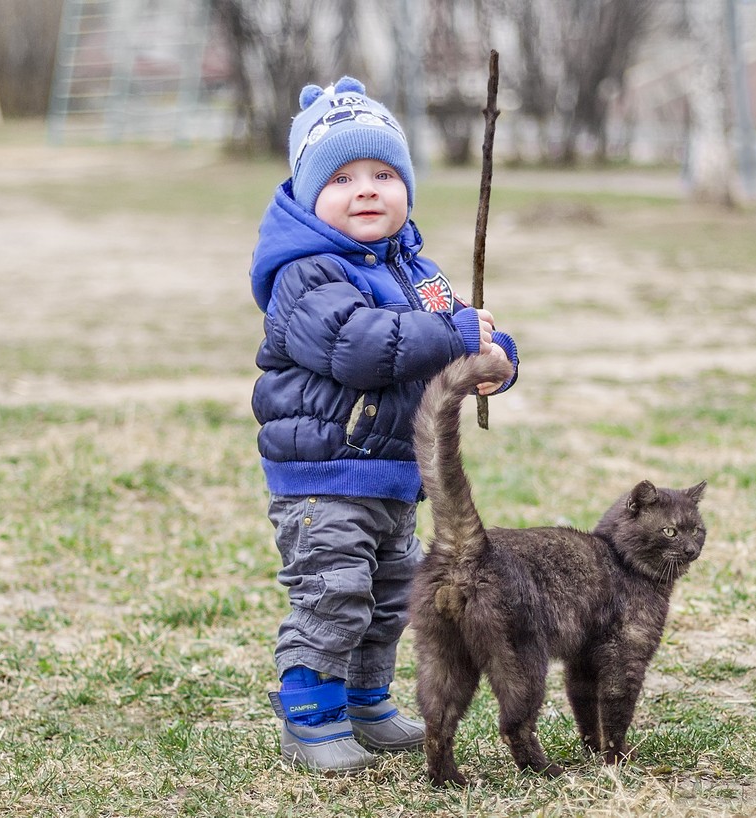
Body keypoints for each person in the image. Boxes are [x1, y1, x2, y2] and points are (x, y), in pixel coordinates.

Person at [248, 76, 519, 774]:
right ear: (309, 196)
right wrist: (452, 336)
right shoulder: (305, 274)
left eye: (383, 173)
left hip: (393, 473)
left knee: (390, 597)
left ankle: (368, 701)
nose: (366, 188)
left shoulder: (415, 271)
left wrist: (495, 357)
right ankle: (312, 716)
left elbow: (458, 322)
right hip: (324, 474)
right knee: (334, 594)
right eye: (341, 177)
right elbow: (361, 348)